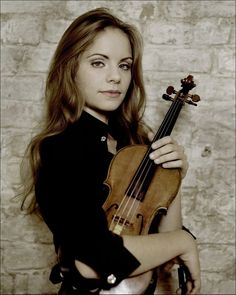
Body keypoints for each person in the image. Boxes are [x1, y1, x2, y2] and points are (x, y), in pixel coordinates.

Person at [21, 7, 201, 295]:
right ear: (71, 69)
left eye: (124, 65)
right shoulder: (59, 148)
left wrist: (173, 176)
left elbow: (163, 250)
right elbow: (94, 255)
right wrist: (184, 242)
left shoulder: (133, 144)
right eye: (98, 63)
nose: (115, 77)